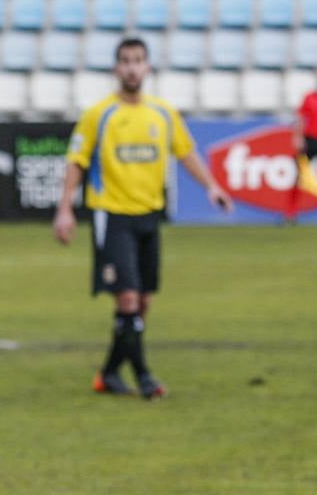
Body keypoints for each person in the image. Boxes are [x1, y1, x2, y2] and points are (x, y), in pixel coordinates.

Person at [53, 37, 233, 399]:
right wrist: (65, 208)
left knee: (143, 303)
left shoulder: (163, 113)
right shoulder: (99, 114)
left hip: (149, 217)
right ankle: (145, 376)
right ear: (116, 68)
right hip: (112, 215)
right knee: (129, 299)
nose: (132, 67)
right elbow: (76, 162)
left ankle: (107, 374)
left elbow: (187, 153)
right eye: (125, 61)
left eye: (138, 60)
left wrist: (212, 186)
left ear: (147, 66)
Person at [291, 63, 317, 214]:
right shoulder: (309, 98)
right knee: (298, 176)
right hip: (311, 140)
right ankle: (290, 214)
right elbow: (301, 118)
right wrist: (298, 137)